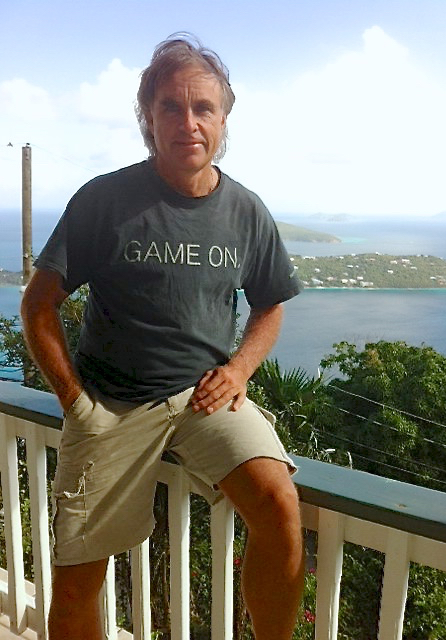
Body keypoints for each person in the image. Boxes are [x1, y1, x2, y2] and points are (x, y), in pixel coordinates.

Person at [21, 33, 304, 640]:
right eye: (170, 108)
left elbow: (270, 303)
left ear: (224, 119)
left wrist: (241, 369)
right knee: (76, 582)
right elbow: (39, 306)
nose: (188, 122)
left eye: (203, 108)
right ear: (148, 121)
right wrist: (76, 402)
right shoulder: (106, 199)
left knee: (279, 507)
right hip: (113, 404)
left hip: (205, 397)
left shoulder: (246, 211)